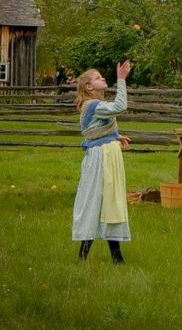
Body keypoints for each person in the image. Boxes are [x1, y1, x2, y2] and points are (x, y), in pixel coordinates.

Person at [72, 60, 133, 264]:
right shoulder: (93, 104)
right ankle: (84, 254)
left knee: (110, 201)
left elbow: (96, 129)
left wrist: (114, 136)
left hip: (107, 153)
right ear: (88, 87)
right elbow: (120, 106)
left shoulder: (97, 105)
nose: (103, 78)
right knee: (95, 201)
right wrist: (121, 80)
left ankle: (117, 257)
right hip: (100, 157)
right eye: (98, 78)